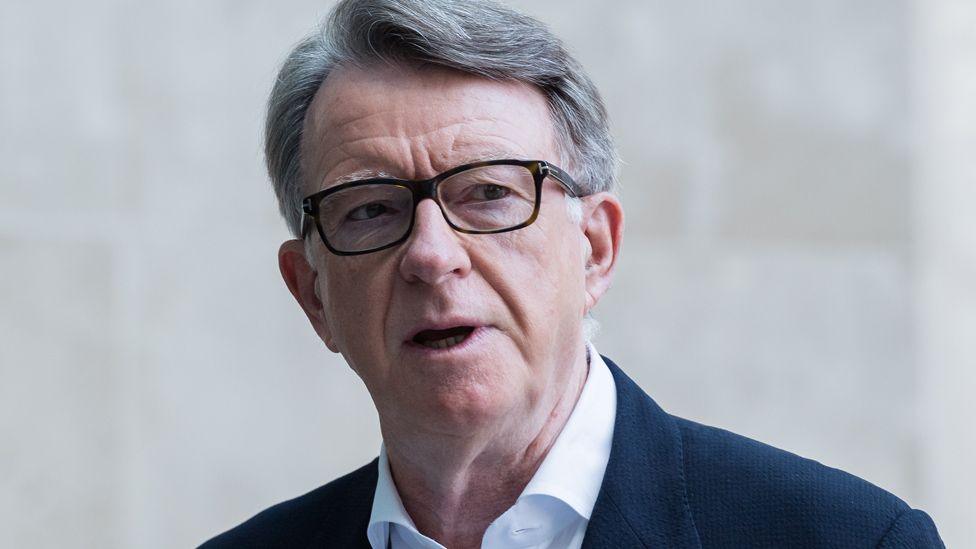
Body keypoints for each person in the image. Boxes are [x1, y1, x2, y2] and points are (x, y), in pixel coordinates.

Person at [201, 0, 944, 547]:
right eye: (369, 209)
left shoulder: (846, 539)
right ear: (312, 294)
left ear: (595, 247)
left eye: (489, 193)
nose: (431, 253)